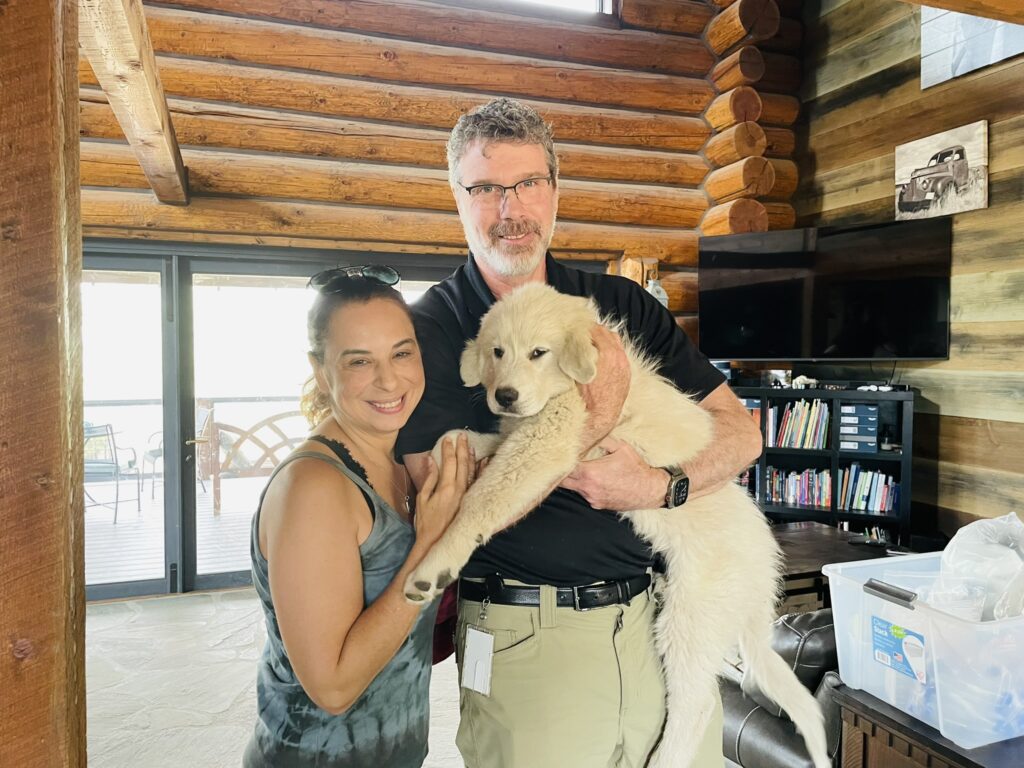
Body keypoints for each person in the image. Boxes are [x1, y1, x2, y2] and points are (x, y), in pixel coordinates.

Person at [396, 98, 764, 768]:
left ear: (555, 191)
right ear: (457, 197)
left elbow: (742, 433)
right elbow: (442, 494)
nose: (512, 209)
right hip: (521, 636)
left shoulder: (620, 305)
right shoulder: (430, 332)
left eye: (529, 183)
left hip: (654, 619)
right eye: (486, 188)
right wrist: (596, 416)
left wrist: (661, 485)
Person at [243, 266, 473, 768]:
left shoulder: (397, 463)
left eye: (402, 352)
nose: (390, 379)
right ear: (321, 369)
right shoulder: (315, 487)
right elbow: (333, 687)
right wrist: (428, 548)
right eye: (359, 361)